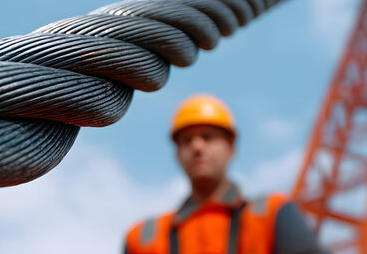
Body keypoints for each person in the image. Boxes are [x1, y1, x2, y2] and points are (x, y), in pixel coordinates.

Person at [124, 94, 324, 254]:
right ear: (177, 154)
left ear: (231, 148)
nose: (197, 147)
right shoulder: (143, 238)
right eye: (186, 140)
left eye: (207, 137)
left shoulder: (271, 213)